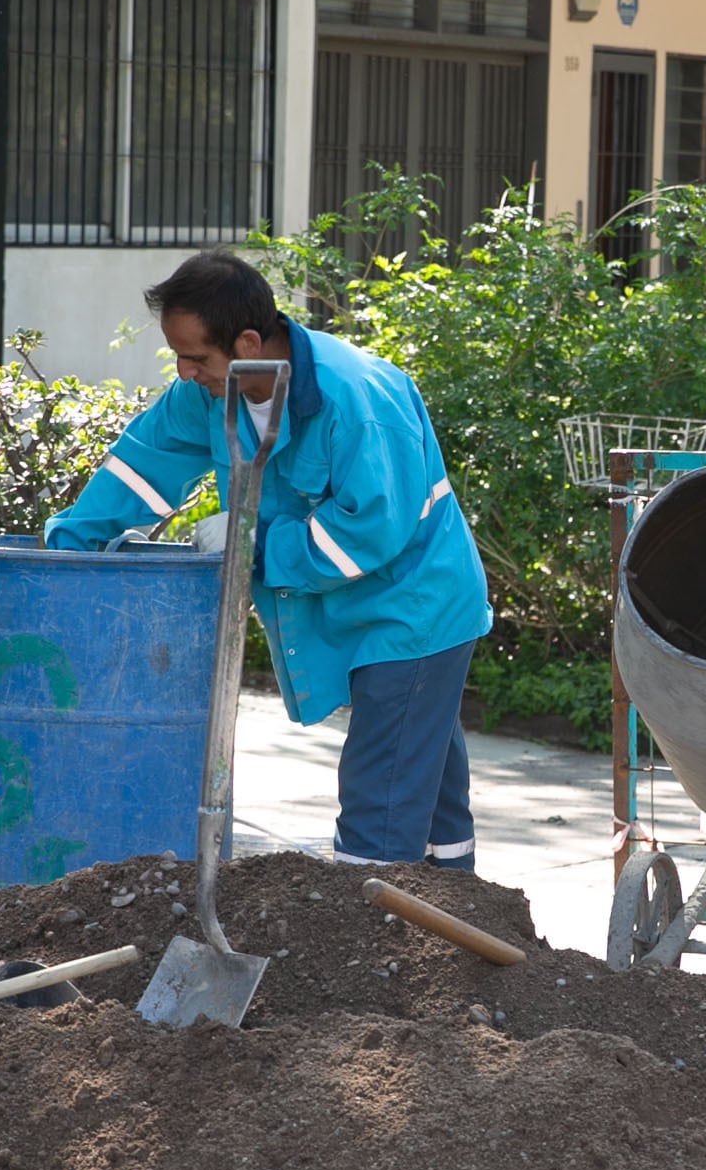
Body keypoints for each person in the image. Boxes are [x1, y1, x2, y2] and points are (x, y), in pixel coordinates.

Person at [44, 251, 492, 870]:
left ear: (249, 341)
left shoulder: (355, 398)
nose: (185, 370)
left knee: (379, 798)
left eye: (197, 357)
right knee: (427, 786)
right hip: (358, 608)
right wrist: (68, 547)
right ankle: (459, 923)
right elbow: (141, 468)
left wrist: (252, 541)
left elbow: (372, 529)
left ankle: (370, 935)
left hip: (413, 609)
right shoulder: (204, 395)